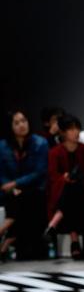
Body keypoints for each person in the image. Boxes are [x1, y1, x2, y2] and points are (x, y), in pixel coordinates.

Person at [45, 113, 84, 258]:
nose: (75, 132)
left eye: (77, 128)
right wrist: (64, 178)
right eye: (71, 129)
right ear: (62, 132)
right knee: (71, 190)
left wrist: (76, 180)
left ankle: (58, 224)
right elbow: (53, 176)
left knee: (75, 190)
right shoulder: (54, 153)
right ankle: (75, 241)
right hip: (64, 193)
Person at [0, 110, 49, 261]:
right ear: (10, 126)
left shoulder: (40, 143)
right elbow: (1, 173)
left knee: (28, 199)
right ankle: (8, 241)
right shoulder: (2, 146)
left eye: (24, 121)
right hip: (11, 192)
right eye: (17, 122)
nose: (22, 125)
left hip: (34, 189)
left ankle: (6, 233)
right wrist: (11, 187)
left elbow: (39, 172)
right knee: (22, 202)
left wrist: (16, 184)